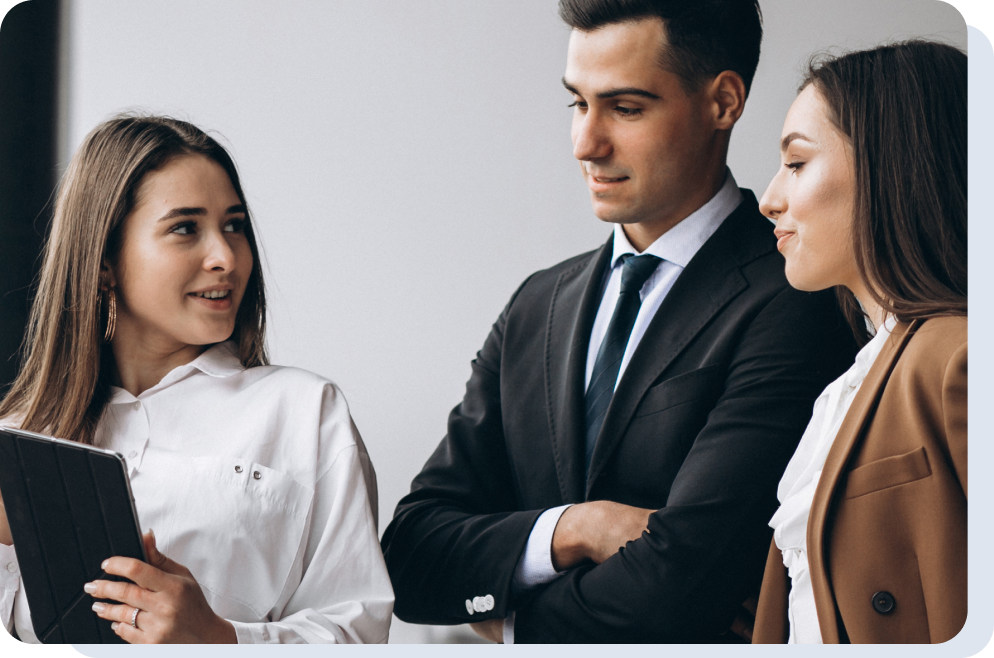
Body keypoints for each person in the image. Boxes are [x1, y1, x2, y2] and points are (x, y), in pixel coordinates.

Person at [381, 0, 858, 643]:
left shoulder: (799, 294)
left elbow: (680, 586)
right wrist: (576, 529)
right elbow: (410, 555)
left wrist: (512, 622)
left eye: (625, 108)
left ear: (723, 102)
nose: (586, 143)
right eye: (577, 103)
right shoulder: (537, 305)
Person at [0, 116, 394, 643]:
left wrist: (218, 639)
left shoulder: (304, 411)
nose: (226, 257)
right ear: (104, 262)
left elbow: (358, 633)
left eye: (234, 226)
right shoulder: (21, 433)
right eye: (186, 228)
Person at [753, 40, 967, 644]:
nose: (770, 198)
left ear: (890, 164)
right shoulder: (849, 385)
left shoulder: (958, 358)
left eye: (796, 164)